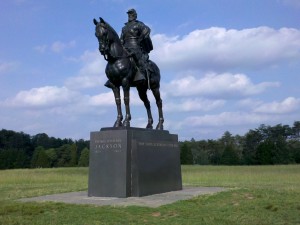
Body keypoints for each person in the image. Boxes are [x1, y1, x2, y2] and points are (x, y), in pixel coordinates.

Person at [120, 9, 153, 82]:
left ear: (135, 16)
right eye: (129, 14)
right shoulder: (124, 28)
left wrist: (140, 39)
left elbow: (147, 30)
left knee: (139, 60)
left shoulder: (139, 24)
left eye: (131, 14)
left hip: (136, 47)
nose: (129, 16)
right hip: (125, 47)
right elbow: (121, 39)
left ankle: (143, 74)